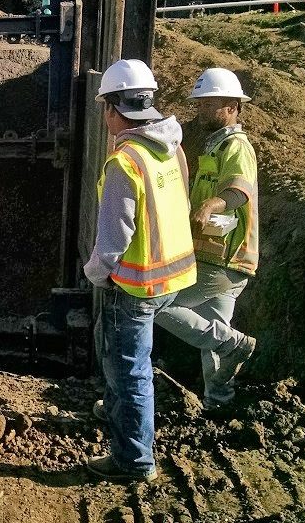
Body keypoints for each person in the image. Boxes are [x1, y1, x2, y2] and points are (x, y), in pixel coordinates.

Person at [83, 58, 197, 482]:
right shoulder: (169, 147)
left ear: (113, 109)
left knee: (130, 369)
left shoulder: (125, 162)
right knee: (118, 356)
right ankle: (118, 408)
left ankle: (133, 460)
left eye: (104, 109)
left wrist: (94, 273)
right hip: (172, 275)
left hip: (135, 286)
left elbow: (115, 237)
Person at [154, 68, 258, 408]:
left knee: (158, 304)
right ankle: (220, 401)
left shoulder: (236, 146)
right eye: (198, 105)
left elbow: (239, 190)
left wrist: (214, 202)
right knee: (213, 329)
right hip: (220, 255)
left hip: (224, 257)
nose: (199, 111)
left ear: (231, 106)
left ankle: (234, 345)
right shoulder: (216, 146)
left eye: (207, 104)